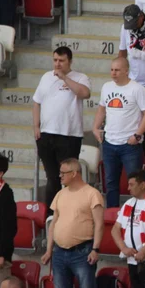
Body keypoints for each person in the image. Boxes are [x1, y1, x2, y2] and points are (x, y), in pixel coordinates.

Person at [41, 156, 103, 288]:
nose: (59, 176)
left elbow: (99, 224)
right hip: (60, 252)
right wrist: (48, 250)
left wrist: (95, 249)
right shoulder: (61, 194)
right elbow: (54, 222)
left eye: (63, 173)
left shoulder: (92, 193)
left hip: (83, 251)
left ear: (74, 173)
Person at [32, 47, 90, 211]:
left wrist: (64, 77)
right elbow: (37, 102)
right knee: (52, 178)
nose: (57, 64)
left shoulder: (80, 77)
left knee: (69, 178)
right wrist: (36, 126)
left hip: (69, 136)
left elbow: (84, 93)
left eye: (61, 61)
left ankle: (70, 215)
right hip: (46, 135)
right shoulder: (46, 77)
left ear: (69, 61)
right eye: (55, 60)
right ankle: (51, 217)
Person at [92, 57, 145, 207]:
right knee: (110, 183)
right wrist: (95, 127)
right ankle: (112, 215)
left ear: (126, 71)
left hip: (130, 145)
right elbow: (102, 109)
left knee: (136, 183)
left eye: (117, 70)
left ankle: (139, 212)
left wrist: (137, 135)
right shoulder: (107, 87)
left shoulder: (137, 89)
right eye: (112, 70)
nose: (113, 73)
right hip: (109, 143)